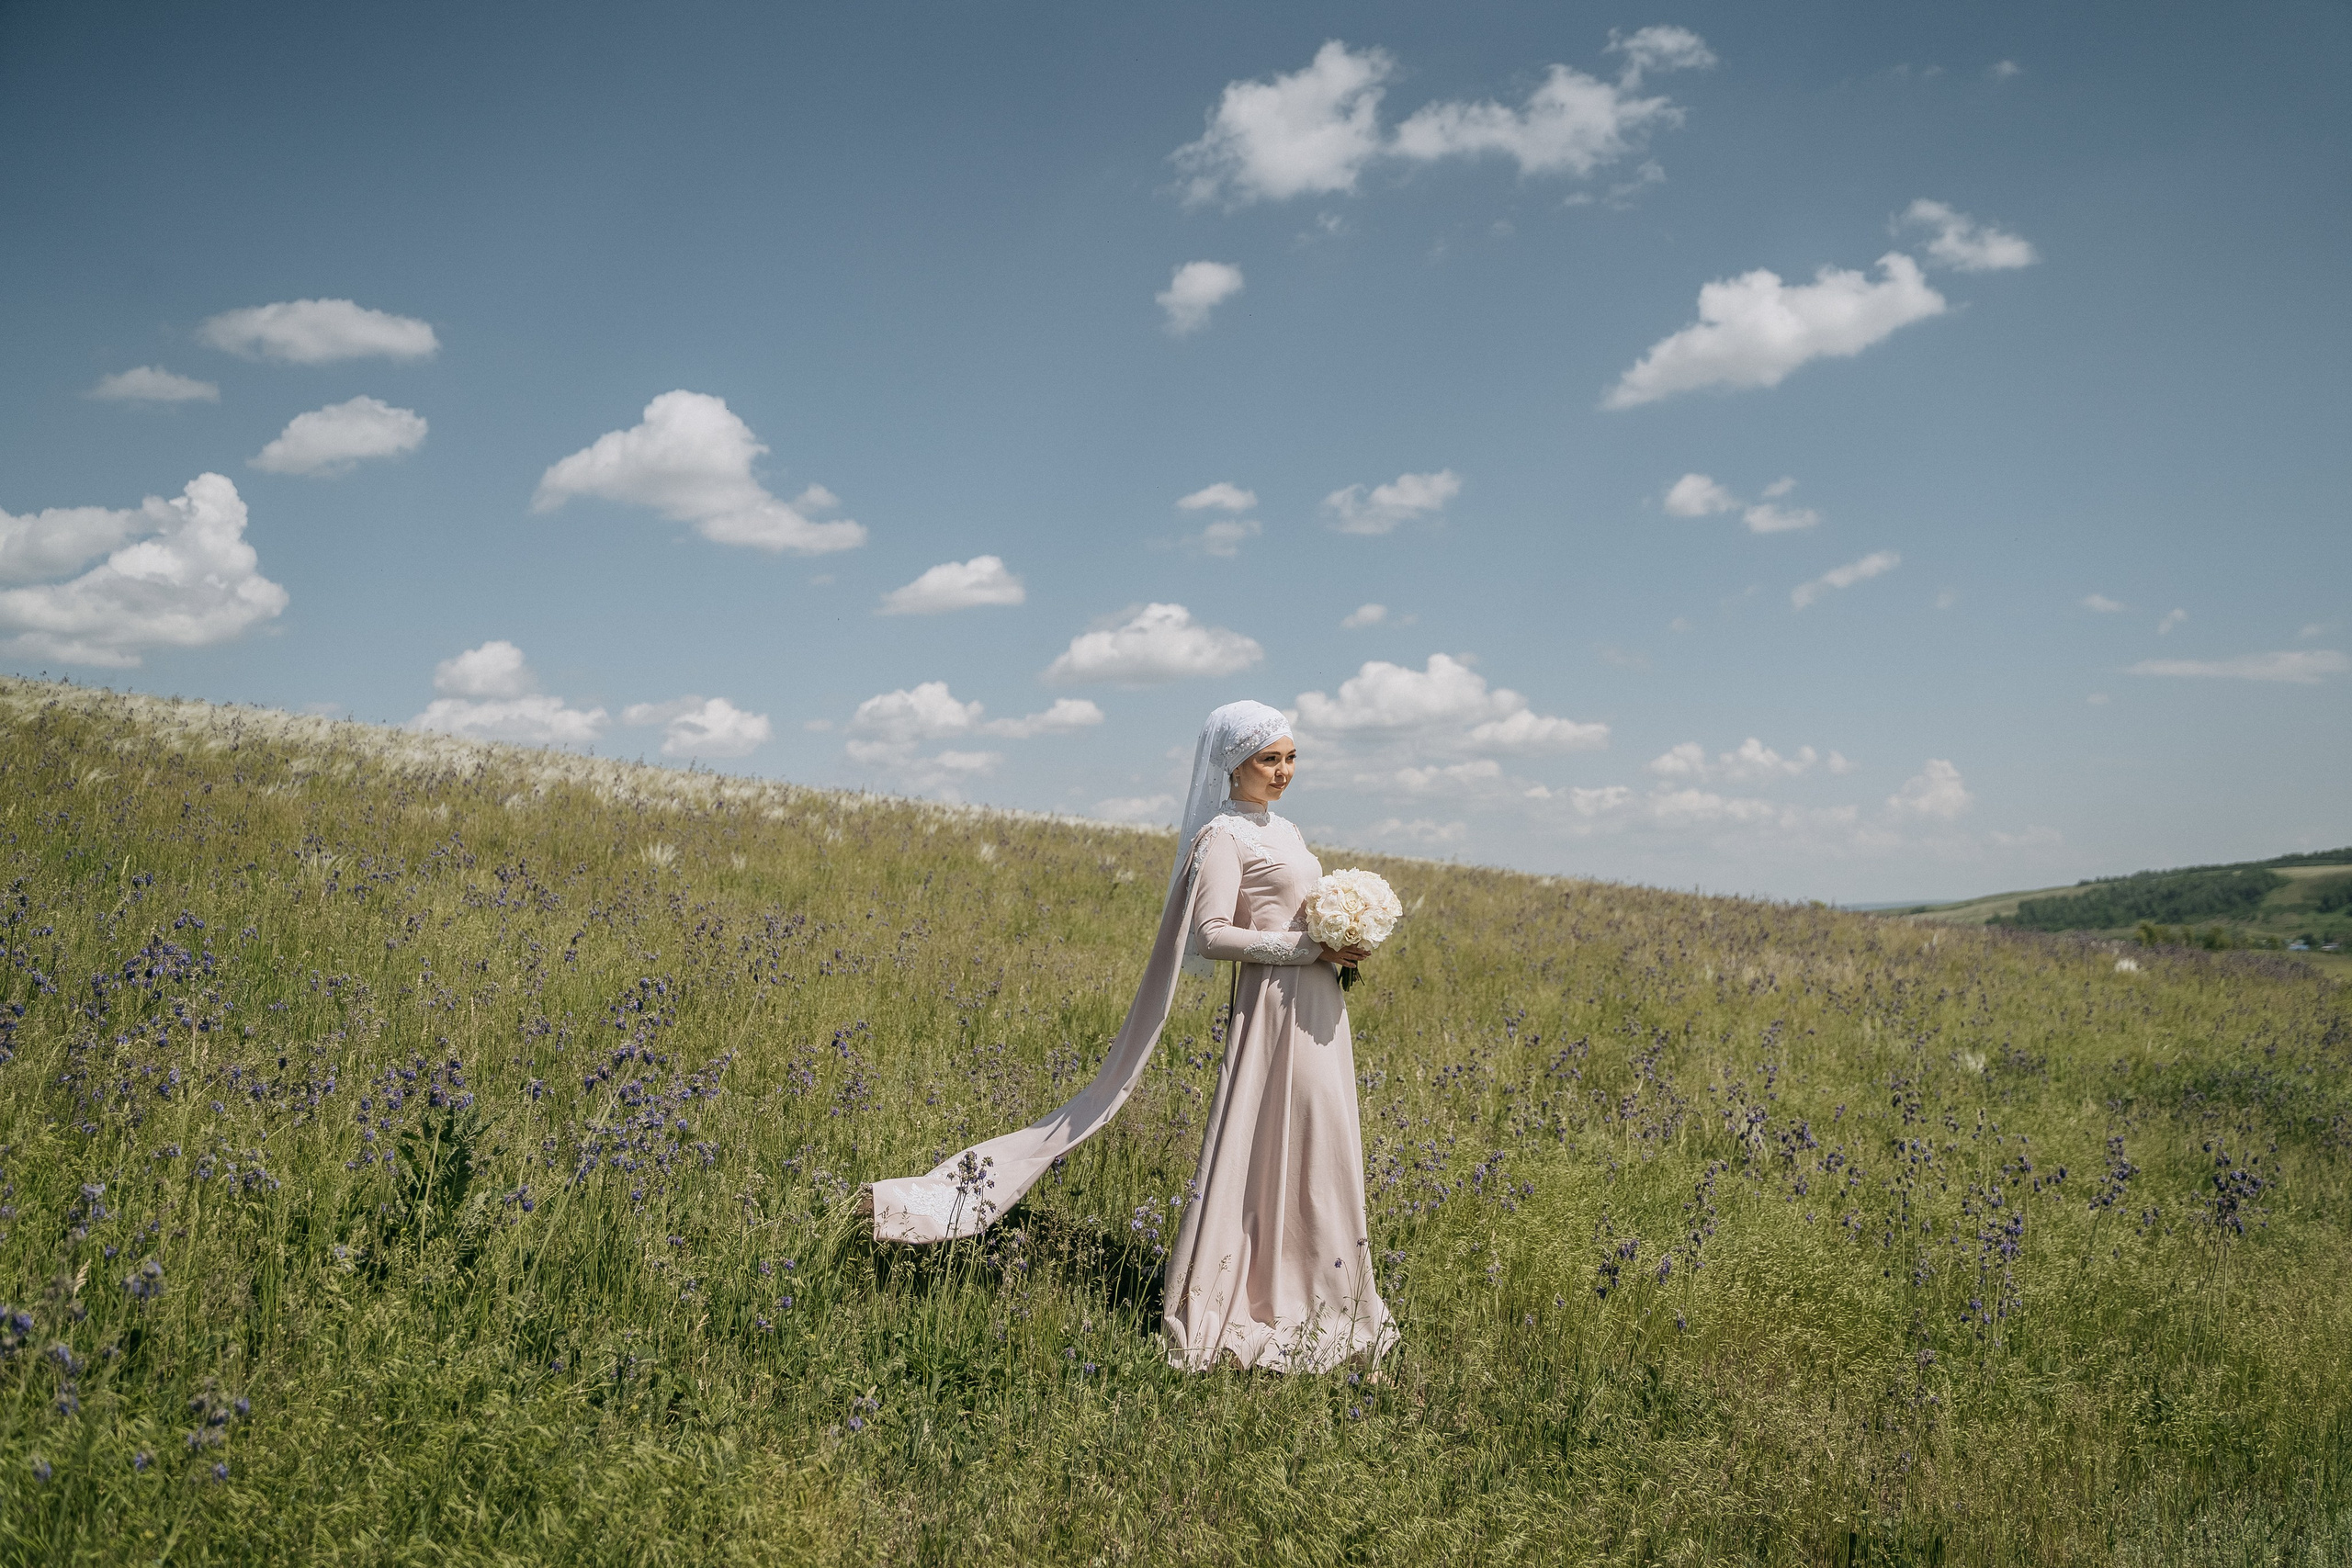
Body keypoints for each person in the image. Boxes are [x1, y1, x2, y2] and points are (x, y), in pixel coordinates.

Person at [866, 699, 1396, 1372]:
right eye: (1269, 759)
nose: (1283, 771)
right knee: (1274, 1141)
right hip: (1274, 1007)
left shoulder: (1286, 831)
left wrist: (1342, 941)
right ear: (1234, 764)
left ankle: (1326, 1289)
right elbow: (1213, 934)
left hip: (1321, 1008)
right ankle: (1250, 1295)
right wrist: (1308, 948)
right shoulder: (1223, 836)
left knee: (1324, 1144)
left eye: (1291, 757)